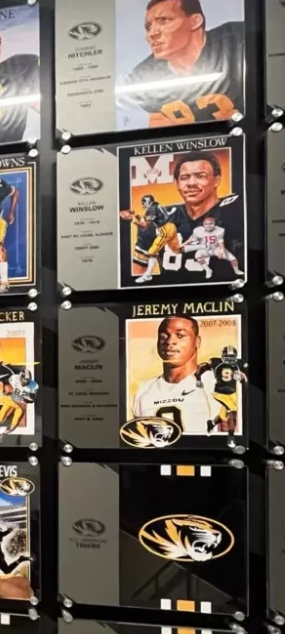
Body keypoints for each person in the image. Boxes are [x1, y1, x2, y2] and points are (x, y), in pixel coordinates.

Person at [123, 0, 243, 127]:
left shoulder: (238, 39)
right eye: (148, 27)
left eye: (163, 20)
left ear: (195, 21)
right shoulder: (141, 76)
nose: (152, 34)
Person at [121, 152, 241, 283]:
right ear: (177, 184)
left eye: (201, 176)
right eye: (184, 177)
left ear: (217, 180)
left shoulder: (235, 208)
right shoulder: (161, 216)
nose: (191, 183)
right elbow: (135, 276)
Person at [132, 315, 240, 434]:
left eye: (180, 335)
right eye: (163, 336)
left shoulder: (216, 383)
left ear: (197, 341)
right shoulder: (144, 392)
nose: (169, 341)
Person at [181, 216, 244, 280]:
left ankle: (236, 271)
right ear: (203, 224)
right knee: (197, 256)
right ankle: (208, 270)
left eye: (210, 223)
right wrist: (183, 244)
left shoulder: (220, 230)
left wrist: (222, 249)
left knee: (233, 259)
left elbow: (220, 241)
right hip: (205, 249)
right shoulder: (198, 230)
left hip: (216, 249)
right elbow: (191, 239)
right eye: (206, 224)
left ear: (214, 224)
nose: (208, 225)